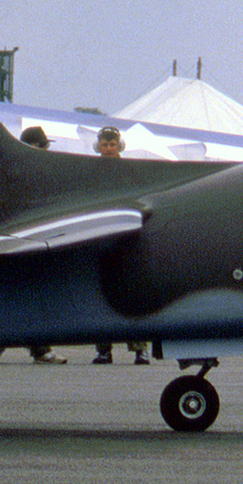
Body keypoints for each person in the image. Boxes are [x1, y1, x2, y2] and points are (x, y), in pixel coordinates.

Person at [0, 128, 68, 365]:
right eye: (42, 146)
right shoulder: (10, 172)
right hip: (14, 242)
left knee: (37, 297)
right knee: (8, 296)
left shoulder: (45, 173)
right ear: (31, 146)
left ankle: (40, 349)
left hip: (38, 241)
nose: (46, 151)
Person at [93, 126, 150, 366]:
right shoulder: (91, 172)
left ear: (119, 146)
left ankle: (140, 349)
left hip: (126, 237)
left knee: (134, 292)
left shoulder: (130, 171)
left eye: (112, 144)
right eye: (104, 145)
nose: (108, 148)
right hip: (101, 236)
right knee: (100, 294)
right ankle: (104, 349)